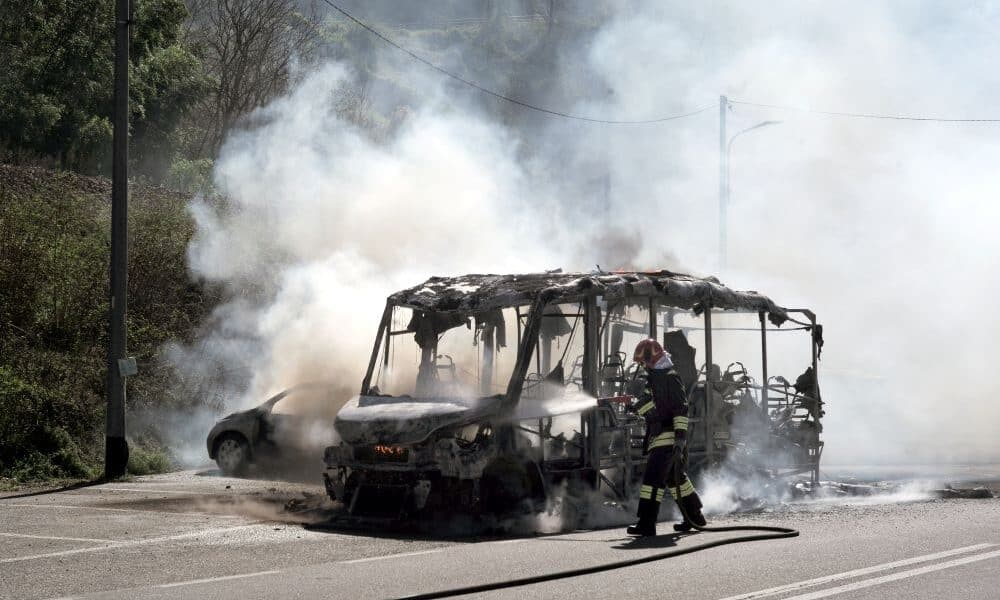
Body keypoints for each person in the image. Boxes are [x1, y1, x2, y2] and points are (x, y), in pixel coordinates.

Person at [627, 338, 707, 536]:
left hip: (668, 437)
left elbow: (681, 408)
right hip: (660, 436)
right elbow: (651, 408)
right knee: (675, 479)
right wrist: (636, 406)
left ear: (652, 358)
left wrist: (680, 438)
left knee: (652, 481)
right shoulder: (655, 379)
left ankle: (646, 524)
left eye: (644, 362)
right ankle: (695, 517)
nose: (643, 367)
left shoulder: (670, 377)